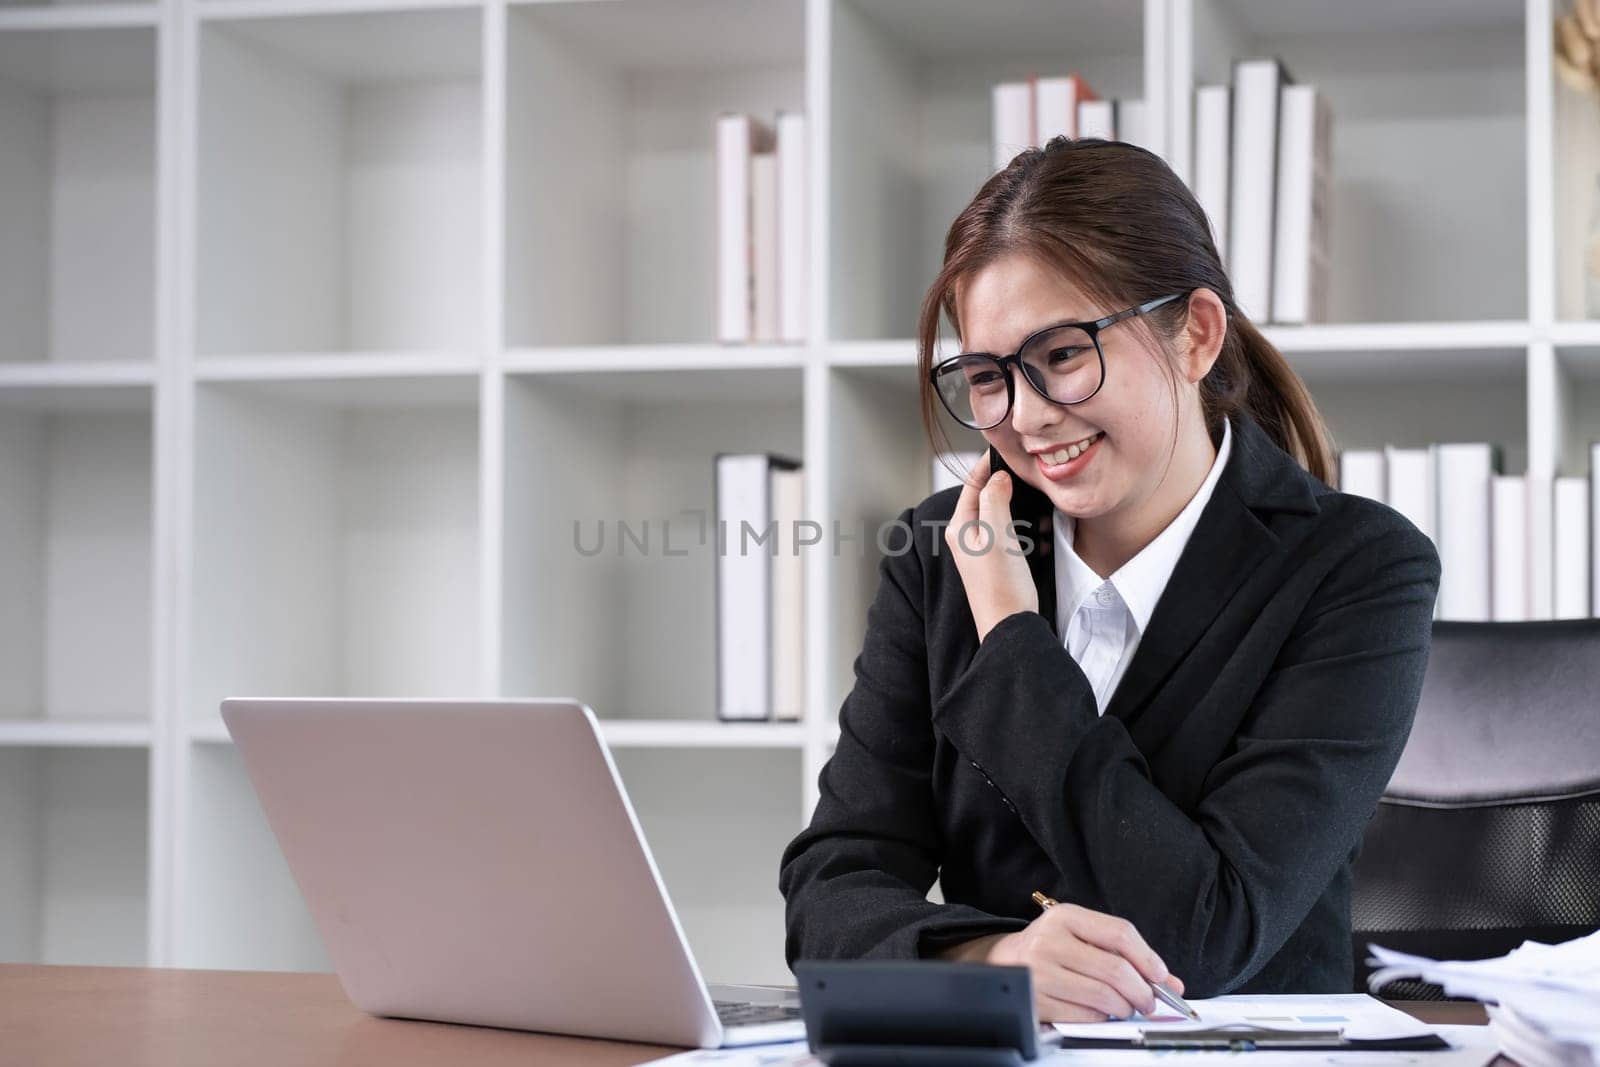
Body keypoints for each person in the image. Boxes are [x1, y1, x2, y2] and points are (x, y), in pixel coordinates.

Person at [776, 136, 1442, 1023]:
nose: (1026, 415)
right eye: (987, 376)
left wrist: (1014, 636)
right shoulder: (942, 554)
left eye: (1061, 355)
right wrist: (994, 958)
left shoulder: (1356, 570)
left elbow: (1206, 933)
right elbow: (830, 888)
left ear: (1197, 334)